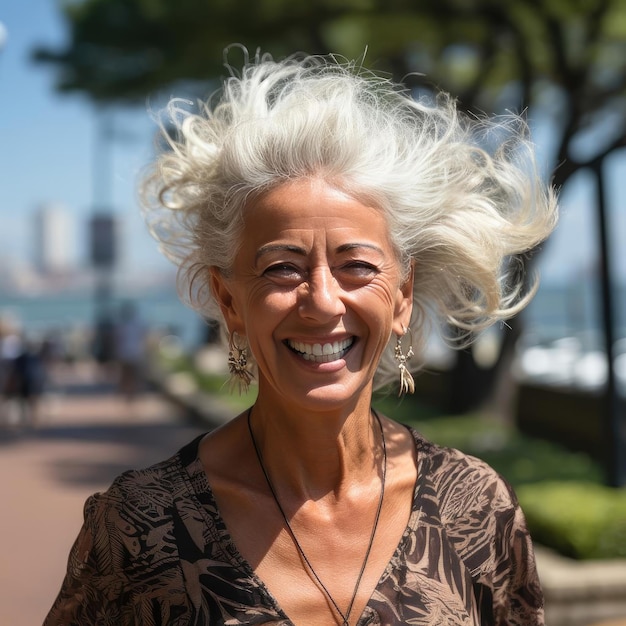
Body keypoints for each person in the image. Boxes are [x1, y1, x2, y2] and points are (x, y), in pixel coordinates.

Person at [44, 50, 557, 626]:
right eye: (281, 268)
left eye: (357, 265)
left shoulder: (476, 509)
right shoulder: (139, 526)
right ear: (231, 301)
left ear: (404, 295)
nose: (322, 301)